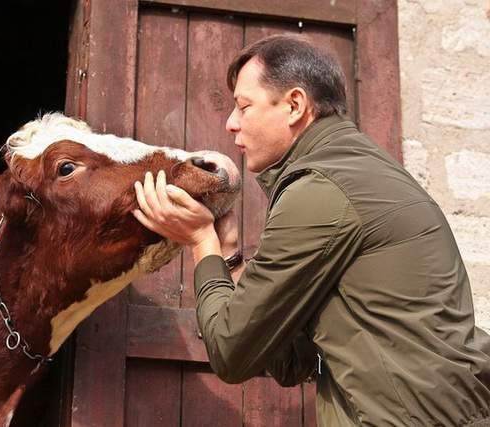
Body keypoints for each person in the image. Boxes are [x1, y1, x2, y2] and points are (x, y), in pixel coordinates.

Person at [132, 35, 490, 426]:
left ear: (294, 105)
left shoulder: (323, 190)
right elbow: (291, 361)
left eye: (244, 106)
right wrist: (232, 257)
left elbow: (231, 354)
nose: (231, 123)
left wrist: (202, 243)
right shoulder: (357, 170)